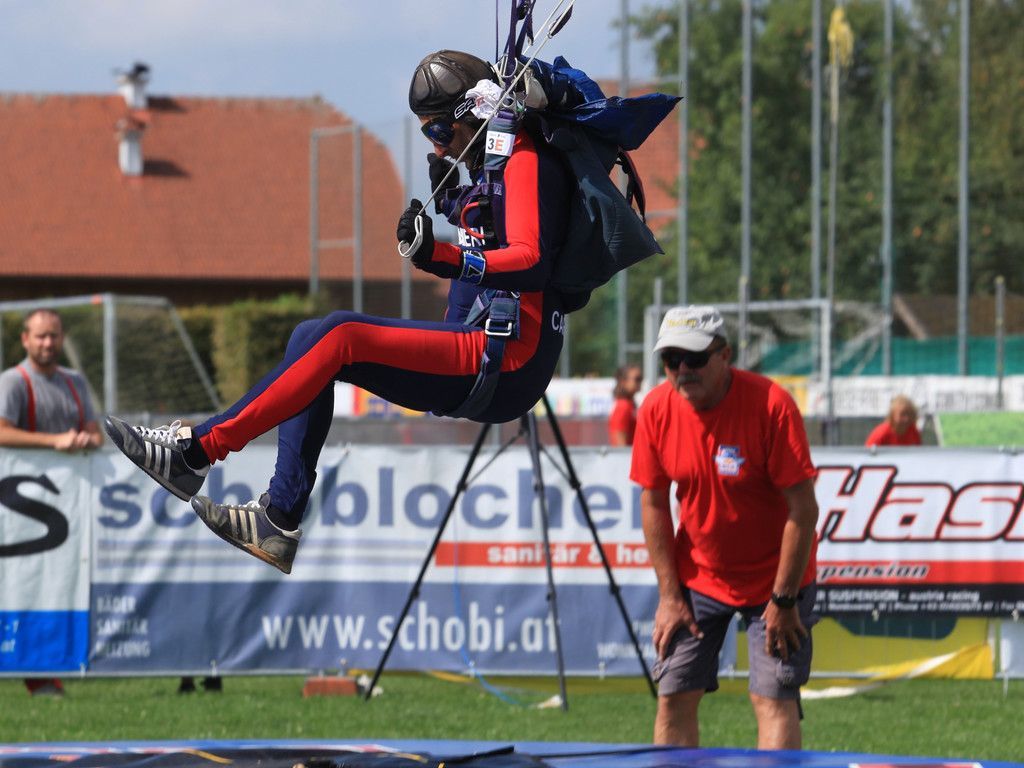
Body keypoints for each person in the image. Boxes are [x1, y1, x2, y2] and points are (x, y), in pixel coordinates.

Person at [104, 50, 575, 575]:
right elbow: (494, 229)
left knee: (341, 333)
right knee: (311, 338)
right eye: (427, 134)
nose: (438, 145)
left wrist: (439, 255)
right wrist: (450, 206)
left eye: (441, 130)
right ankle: (278, 519)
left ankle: (195, 453)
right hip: (480, 352)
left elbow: (530, 261)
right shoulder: (494, 168)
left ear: (475, 112)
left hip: (506, 359)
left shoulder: (524, 159)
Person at [630, 305, 820, 750]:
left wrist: (784, 600)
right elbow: (653, 502)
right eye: (671, 359)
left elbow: (804, 509)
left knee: (772, 699)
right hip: (698, 578)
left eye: (695, 358)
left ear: (725, 355)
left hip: (776, 581)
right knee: (673, 697)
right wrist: (669, 597)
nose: (682, 370)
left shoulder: (771, 405)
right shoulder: (656, 408)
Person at [0, 308, 104, 697]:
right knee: (24, 585)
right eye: (41, 336)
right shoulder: (13, 382)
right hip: (20, 509)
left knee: (59, 585)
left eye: (54, 336)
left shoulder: (74, 381)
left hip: (70, 506)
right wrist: (54, 442)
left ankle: (47, 668)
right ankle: (36, 674)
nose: (48, 343)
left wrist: (88, 440)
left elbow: (94, 431)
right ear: (25, 339)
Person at [608, 364, 642, 446]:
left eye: (641, 379)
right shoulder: (623, 406)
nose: (640, 382)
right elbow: (620, 444)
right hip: (627, 453)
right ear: (623, 381)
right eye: (637, 379)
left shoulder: (630, 404)